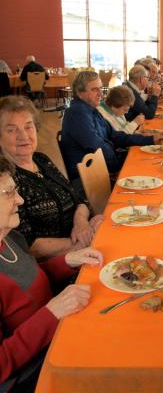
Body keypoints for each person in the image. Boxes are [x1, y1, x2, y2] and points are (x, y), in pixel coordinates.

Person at [0, 155, 103, 392]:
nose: (20, 199)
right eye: (8, 194)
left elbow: (29, 278)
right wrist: (51, 313)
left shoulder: (10, 238)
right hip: (33, 369)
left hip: (58, 329)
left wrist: (67, 260)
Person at [0, 95, 103, 258]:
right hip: (60, 263)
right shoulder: (6, 180)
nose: (23, 136)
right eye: (11, 130)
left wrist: (82, 223)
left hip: (84, 240)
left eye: (28, 127)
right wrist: (84, 240)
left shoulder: (41, 160)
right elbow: (28, 245)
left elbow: (78, 199)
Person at [61, 71, 159, 182]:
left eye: (100, 89)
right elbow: (97, 146)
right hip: (91, 177)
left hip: (103, 166)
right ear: (79, 92)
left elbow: (116, 136)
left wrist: (150, 139)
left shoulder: (91, 110)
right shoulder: (77, 113)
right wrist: (118, 164)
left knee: (147, 159)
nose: (101, 94)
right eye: (94, 90)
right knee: (148, 166)